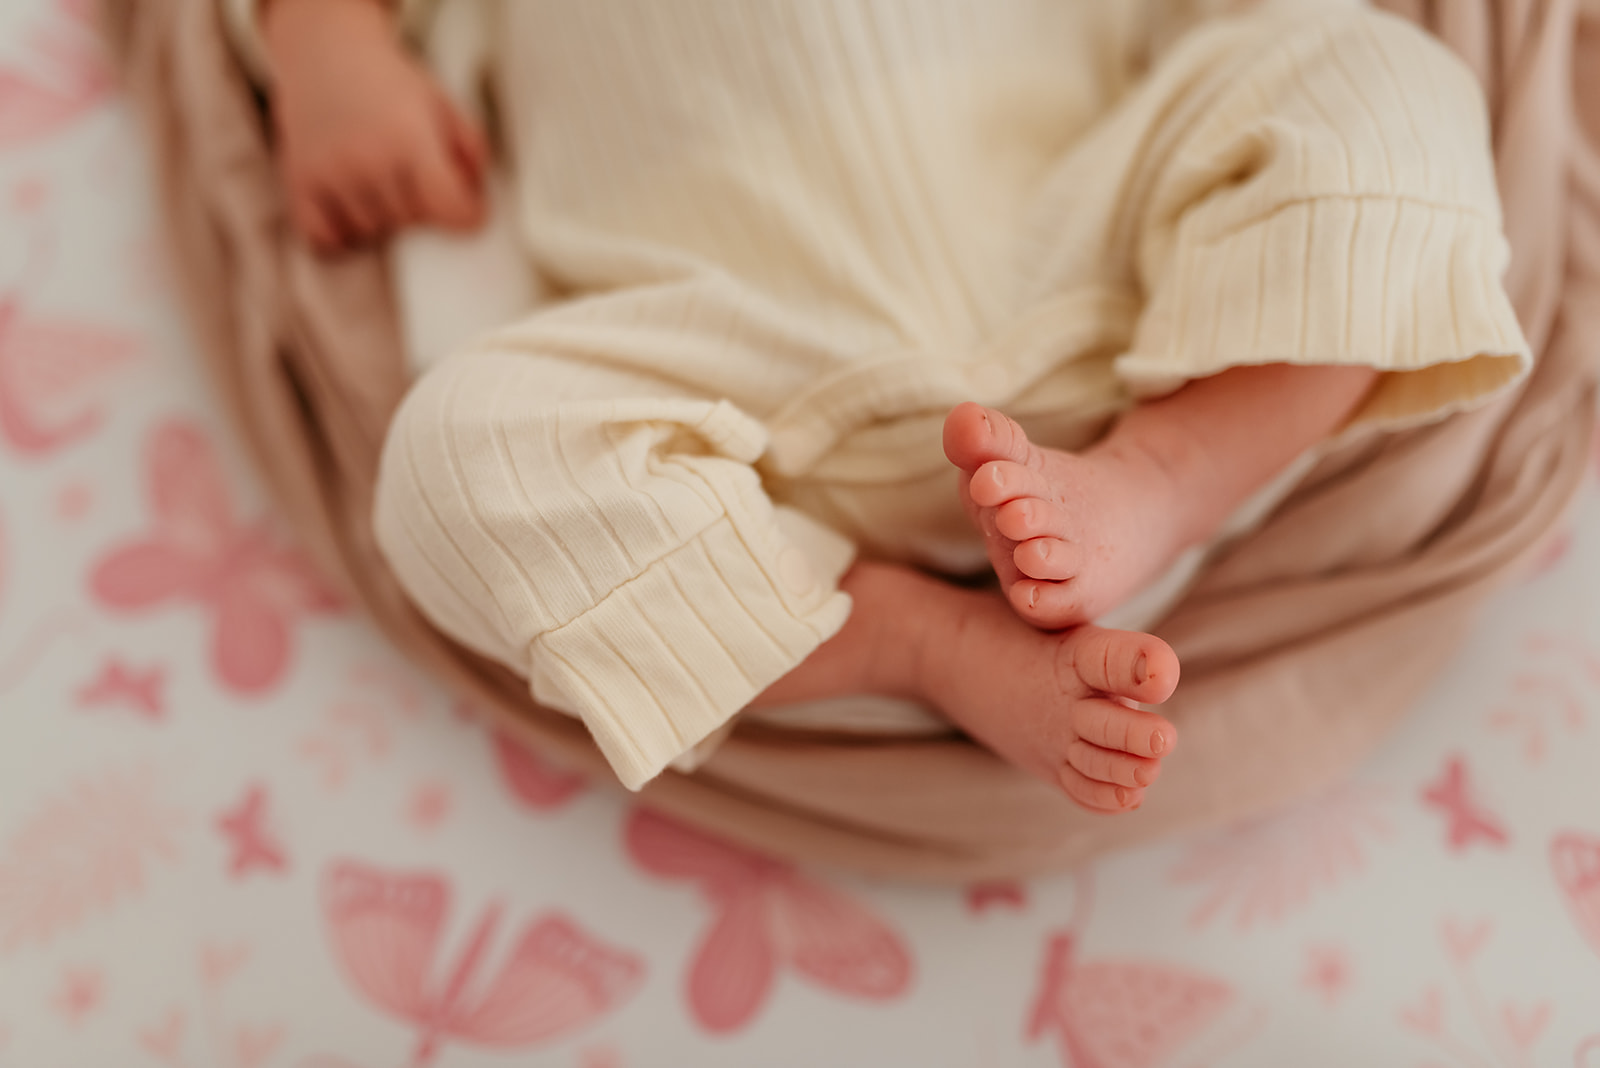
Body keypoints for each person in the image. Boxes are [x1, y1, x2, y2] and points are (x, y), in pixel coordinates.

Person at [233, 0, 1530, 811]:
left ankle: (1161, 476)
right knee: (451, 468)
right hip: (740, 377)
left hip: (1100, 256)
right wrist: (325, 44)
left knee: (1379, 82)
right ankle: (920, 641)